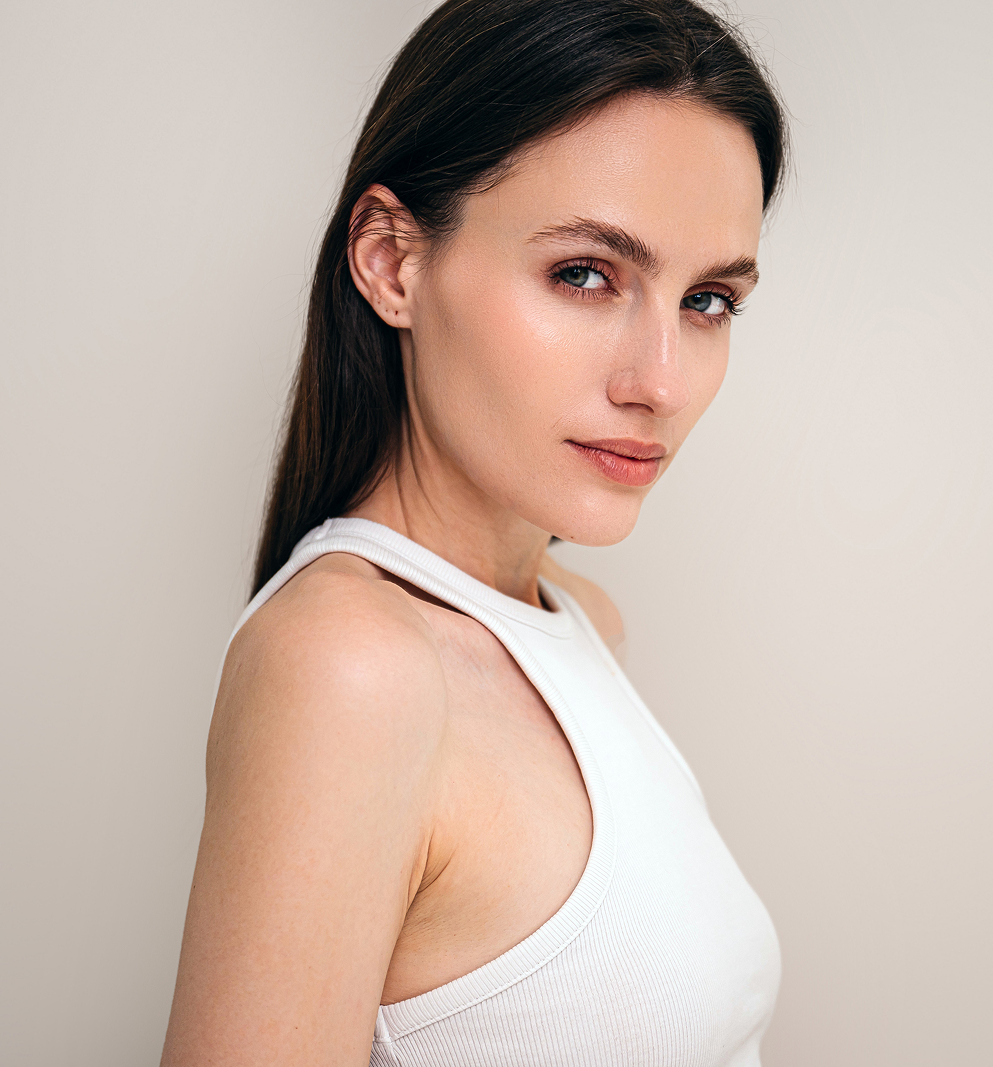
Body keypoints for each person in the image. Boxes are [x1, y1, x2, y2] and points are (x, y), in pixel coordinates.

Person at [161, 1, 788, 1063]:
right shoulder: (347, 668)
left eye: (708, 300)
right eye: (584, 274)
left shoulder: (578, 619)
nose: (660, 384)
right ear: (392, 261)